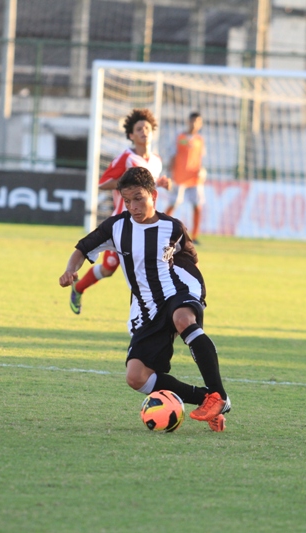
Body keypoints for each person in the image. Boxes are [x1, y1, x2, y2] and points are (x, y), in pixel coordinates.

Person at [59, 166, 231, 432]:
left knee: (183, 318)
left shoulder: (172, 227)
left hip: (178, 290)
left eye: (138, 198)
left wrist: (190, 286)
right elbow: (83, 247)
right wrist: (71, 269)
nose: (133, 206)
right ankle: (207, 401)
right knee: (136, 376)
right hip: (147, 306)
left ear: (153, 195)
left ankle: (217, 395)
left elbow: (190, 257)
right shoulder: (117, 227)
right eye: (127, 201)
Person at [69, 108, 171, 315]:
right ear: (131, 135)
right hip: (122, 221)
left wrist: (158, 183)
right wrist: (128, 181)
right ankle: (78, 287)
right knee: (108, 268)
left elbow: (148, 188)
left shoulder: (157, 161)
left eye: (147, 128)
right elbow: (103, 183)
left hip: (146, 222)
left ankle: (149, 310)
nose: (144, 132)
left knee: (145, 266)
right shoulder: (126, 158)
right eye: (139, 128)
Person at [165, 112, 206, 243]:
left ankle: (195, 236)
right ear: (188, 121)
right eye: (192, 121)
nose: (194, 124)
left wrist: (202, 171)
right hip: (179, 177)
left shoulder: (200, 140)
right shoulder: (180, 137)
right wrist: (169, 174)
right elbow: (172, 155)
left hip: (194, 178)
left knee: (198, 205)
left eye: (197, 122)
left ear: (200, 124)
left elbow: (201, 158)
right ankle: (159, 228)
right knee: (174, 203)